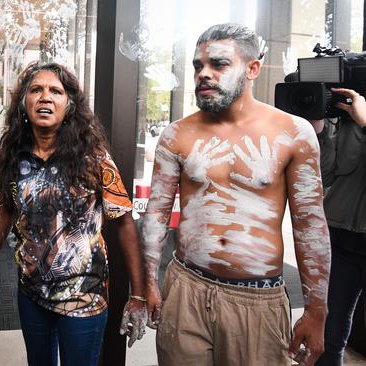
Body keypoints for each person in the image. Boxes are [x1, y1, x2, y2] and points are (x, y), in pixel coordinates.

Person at [140, 23, 331, 366]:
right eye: (199, 66)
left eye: (219, 64)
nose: (204, 74)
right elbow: (155, 215)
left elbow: (311, 228)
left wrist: (317, 310)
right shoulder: (176, 135)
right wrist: (148, 284)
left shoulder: (293, 133)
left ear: (252, 68)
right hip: (186, 289)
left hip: (257, 301)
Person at [0, 62, 147, 366]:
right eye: (36, 90)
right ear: (24, 102)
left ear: (69, 105)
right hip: (31, 292)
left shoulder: (93, 157)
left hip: (84, 296)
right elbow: (7, 208)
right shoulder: (14, 155)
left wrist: (139, 295)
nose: (45, 97)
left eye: (56, 91)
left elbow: (124, 222)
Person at [313, 87, 366, 365]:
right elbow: (326, 173)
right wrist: (321, 132)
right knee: (329, 333)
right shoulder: (346, 112)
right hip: (340, 239)